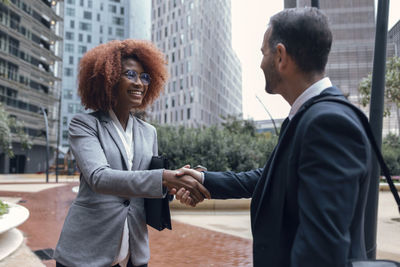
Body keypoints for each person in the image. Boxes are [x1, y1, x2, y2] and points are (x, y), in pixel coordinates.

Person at [175, 7, 373, 267]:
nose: (260, 63)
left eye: (263, 53)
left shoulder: (327, 123)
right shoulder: (311, 116)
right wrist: (202, 179)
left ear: (280, 56)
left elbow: (322, 248)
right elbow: (269, 177)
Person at [53, 39, 210, 267]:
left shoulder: (149, 132)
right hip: (87, 253)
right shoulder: (85, 125)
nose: (140, 83)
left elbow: (145, 188)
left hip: (133, 254)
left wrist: (174, 185)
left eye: (145, 77)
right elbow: (99, 177)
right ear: (110, 78)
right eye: (131, 75)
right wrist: (162, 177)